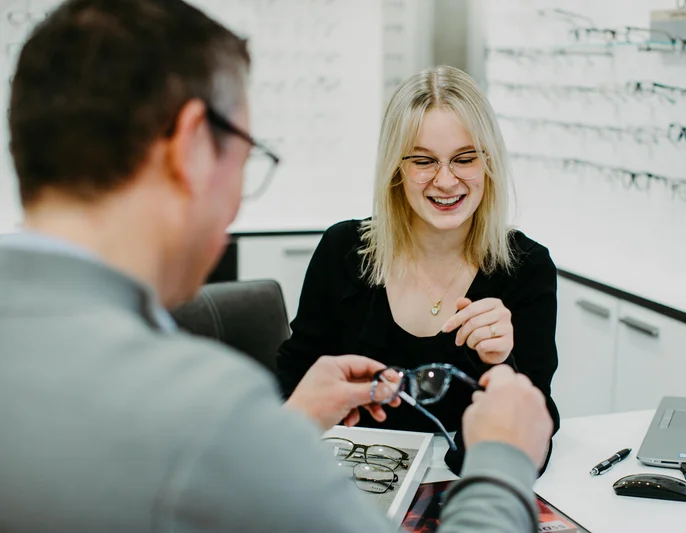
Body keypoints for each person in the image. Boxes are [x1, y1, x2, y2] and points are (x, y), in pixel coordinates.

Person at [0, 1, 553, 532]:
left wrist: (281, 429)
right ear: (192, 148)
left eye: (463, 159)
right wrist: (501, 464)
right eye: (245, 155)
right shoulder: (200, 408)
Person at [276, 65, 560, 471]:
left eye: (464, 159)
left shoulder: (526, 268)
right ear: (396, 168)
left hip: (463, 496)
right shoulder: (344, 251)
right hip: (350, 488)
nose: (445, 181)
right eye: (424, 161)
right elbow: (292, 391)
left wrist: (501, 364)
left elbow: (528, 447)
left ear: (489, 163)